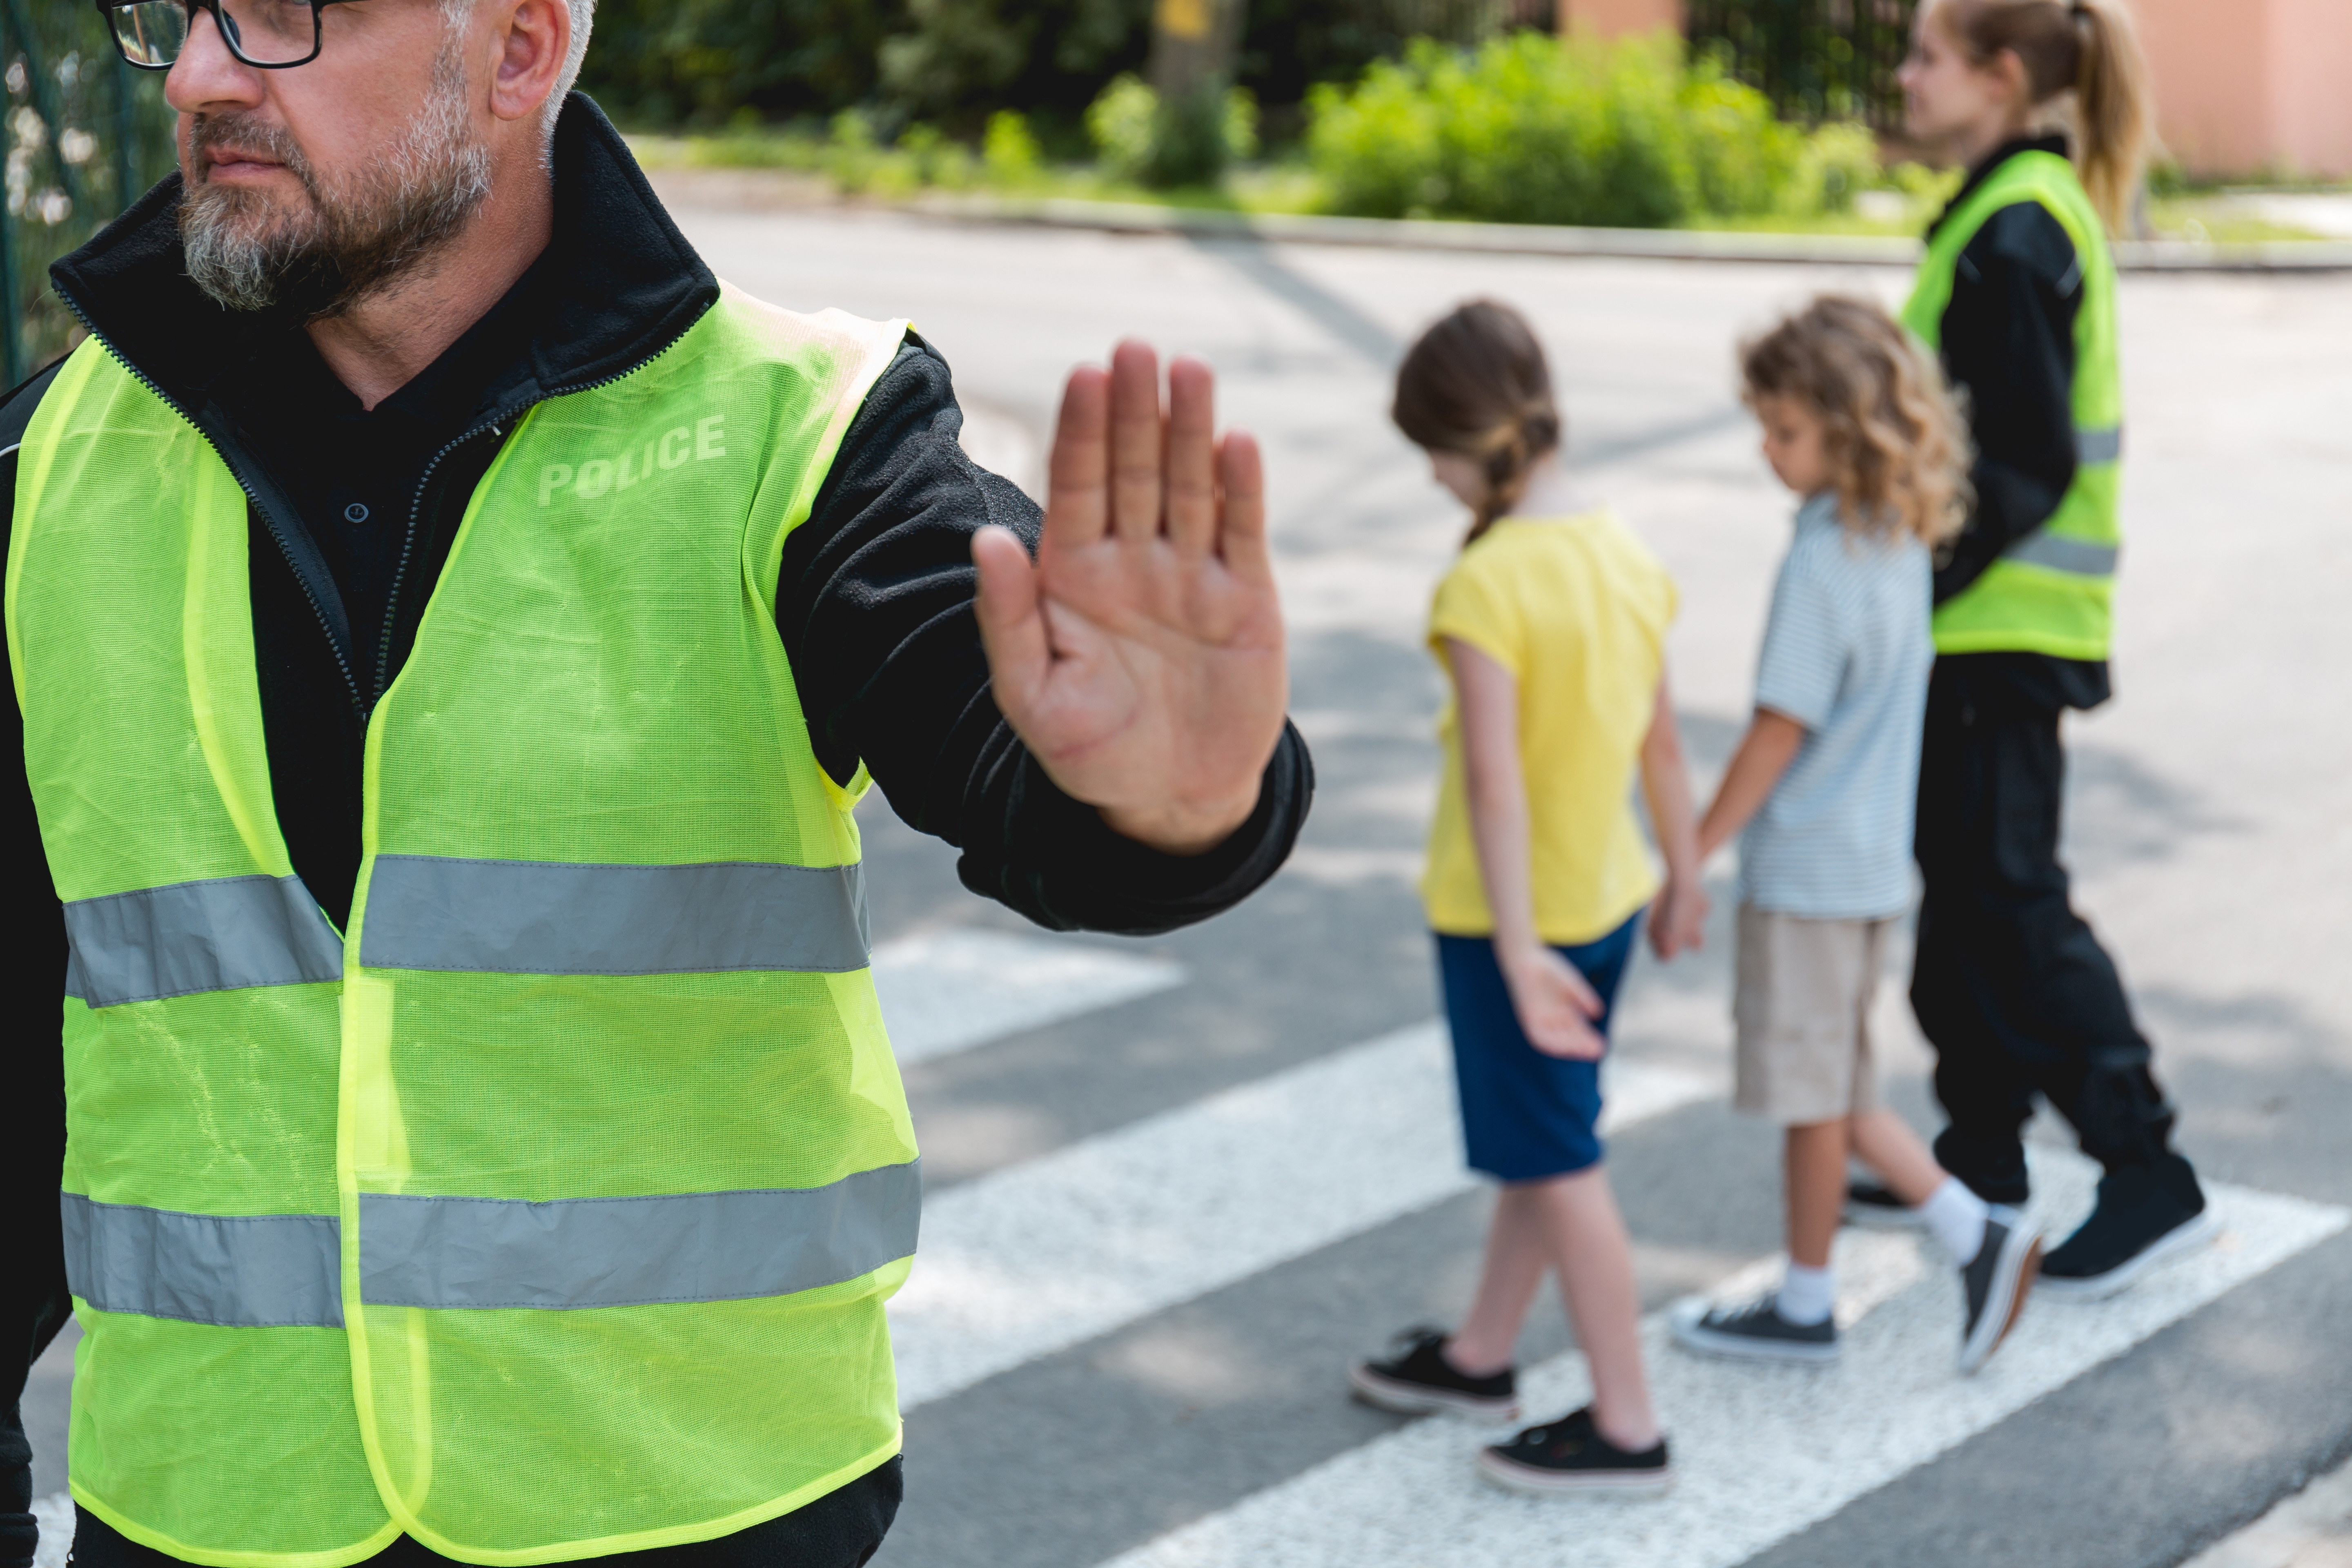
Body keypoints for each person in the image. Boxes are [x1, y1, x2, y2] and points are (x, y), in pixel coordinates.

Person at [0, 1, 1313, 1565]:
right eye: (184, 12)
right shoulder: (43, 480)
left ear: (518, 50)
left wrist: (1166, 800)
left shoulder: (804, 432)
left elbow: (1022, 738)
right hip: (207, 1522)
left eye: (293, 16)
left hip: (700, 1516)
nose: (208, 76)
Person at [1344, 301, 1705, 1497]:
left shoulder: (1489, 585)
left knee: (1559, 1157)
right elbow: (1661, 749)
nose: (1438, 480)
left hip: (1516, 925)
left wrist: (1510, 953)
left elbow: (1495, 786)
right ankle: (1480, 1355)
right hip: (1601, 902)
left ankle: (1628, 1424)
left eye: (1429, 457)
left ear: (1460, 447)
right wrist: (1688, 870)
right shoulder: (1625, 553)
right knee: (1538, 1142)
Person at [1882, 0, 2214, 1299]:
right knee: (1964, 897)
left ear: (2001, 77)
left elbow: (2014, 464)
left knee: (2008, 901)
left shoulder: (2017, 230)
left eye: (1924, 54)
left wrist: (1913, 580)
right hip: (1986, 628)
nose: (1903, 77)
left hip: (1997, 628)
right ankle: (1981, 1157)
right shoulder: (2006, 209)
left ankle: (2148, 1171)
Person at [1667, 296, 2041, 1379]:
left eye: (1783, 429)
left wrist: (1692, 855)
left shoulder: (1825, 562)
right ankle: (1808, 1293)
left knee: (1819, 1093)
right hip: (1871, 866)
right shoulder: (1895, 543)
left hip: (1809, 874)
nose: (1766, 449)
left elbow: (1779, 729)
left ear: (1847, 427)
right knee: (1824, 1091)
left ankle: (1969, 1233)